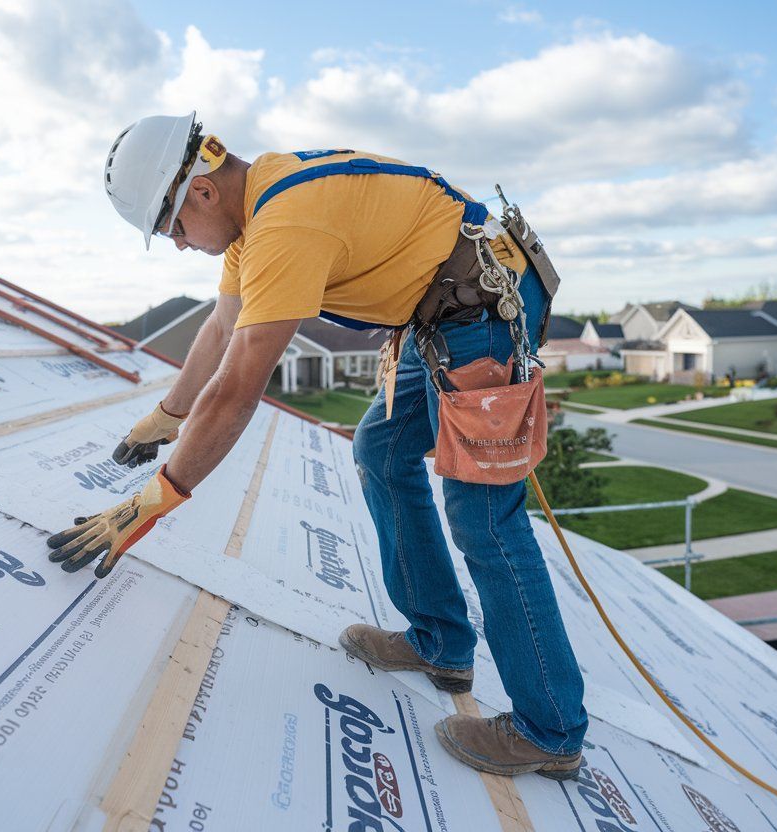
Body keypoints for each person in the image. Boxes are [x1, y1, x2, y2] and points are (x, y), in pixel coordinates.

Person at [47, 112, 588, 779]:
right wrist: (165, 415)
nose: (181, 246)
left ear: (202, 192)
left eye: (173, 229)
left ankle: (551, 729)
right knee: (383, 450)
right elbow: (222, 328)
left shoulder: (286, 223)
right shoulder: (257, 212)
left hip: (481, 306)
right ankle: (441, 640)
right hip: (445, 303)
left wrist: (152, 502)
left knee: (483, 517)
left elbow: (240, 385)